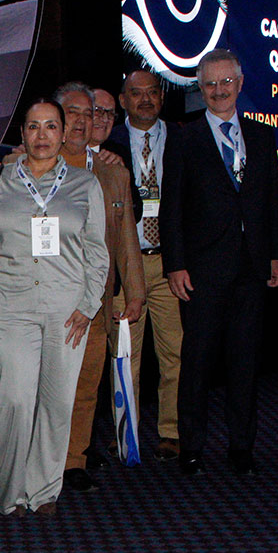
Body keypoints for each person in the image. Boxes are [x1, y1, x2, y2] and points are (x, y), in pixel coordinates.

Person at [0, 98, 109, 515]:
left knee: (56, 403)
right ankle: (10, 489)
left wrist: (89, 304)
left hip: (67, 309)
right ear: (22, 133)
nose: (42, 135)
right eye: (33, 127)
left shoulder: (85, 184)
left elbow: (97, 251)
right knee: (14, 399)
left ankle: (44, 490)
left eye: (51, 126)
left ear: (63, 132)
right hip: (11, 305)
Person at [160, 49, 278, 476]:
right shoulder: (184, 138)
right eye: (210, 84)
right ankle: (192, 447)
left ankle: (242, 447)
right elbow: (172, 209)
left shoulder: (262, 136)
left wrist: (276, 255)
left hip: (252, 270)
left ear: (240, 83)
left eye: (226, 82)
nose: (218, 90)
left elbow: (272, 202)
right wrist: (175, 265)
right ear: (200, 87)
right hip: (201, 273)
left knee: (245, 364)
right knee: (196, 364)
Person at [54, 83, 145, 492]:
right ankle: (45, 458)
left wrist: (136, 292)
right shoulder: (33, 164)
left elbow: (126, 238)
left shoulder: (113, 172)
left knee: (87, 384)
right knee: (47, 387)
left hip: (95, 299)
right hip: (47, 299)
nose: (80, 121)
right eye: (71, 112)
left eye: (87, 114)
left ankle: (73, 460)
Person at [108, 68, 184, 463]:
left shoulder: (183, 139)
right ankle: (128, 433)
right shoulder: (109, 143)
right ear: (123, 100)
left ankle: (172, 431)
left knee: (176, 353)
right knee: (126, 354)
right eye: (136, 93)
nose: (145, 100)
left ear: (162, 96)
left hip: (170, 263)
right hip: (127, 265)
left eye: (152, 92)